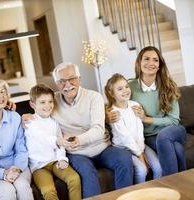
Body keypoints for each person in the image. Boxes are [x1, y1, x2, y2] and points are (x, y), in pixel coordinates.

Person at [23, 63, 133, 198]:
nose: (67, 84)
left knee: (124, 158)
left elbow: (98, 129)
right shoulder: (53, 101)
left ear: (79, 79)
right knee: (86, 172)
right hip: (77, 153)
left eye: (72, 79)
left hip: (102, 148)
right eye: (62, 81)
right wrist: (24, 116)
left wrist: (78, 139)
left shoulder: (94, 97)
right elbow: (39, 109)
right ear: (57, 84)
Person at [107, 46, 186, 176]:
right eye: (146, 59)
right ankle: (184, 184)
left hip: (173, 129)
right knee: (177, 149)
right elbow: (116, 104)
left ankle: (171, 184)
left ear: (159, 65)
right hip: (149, 136)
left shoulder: (168, 86)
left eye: (155, 60)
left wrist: (146, 119)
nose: (151, 63)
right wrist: (107, 116)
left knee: (163, 137)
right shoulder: (130, 86)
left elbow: (174, 119)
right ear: (139, 62)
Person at [25, 84, 81, 200]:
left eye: (50, 101)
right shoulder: (29, 122)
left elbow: (60, 145)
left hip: (55, 161)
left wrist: (62, 159)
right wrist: (59, 141)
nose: (48, 106)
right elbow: (43, 138)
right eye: (42, 102)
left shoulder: (54, 122)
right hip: (39, 166)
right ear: (33, 104)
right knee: (48, 190)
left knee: (74, 178)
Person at [104, 73, 162, 183]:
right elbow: (125, 137)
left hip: (140, 144)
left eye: (126, 86)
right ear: (112, 93)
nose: (125, 90)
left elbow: (140, 131)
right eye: (120, 89)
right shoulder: (113, 112)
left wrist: (141, 150)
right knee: (142, 170)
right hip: (124, 148)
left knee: (158, 167)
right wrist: (140, 155)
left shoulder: (135, 105)